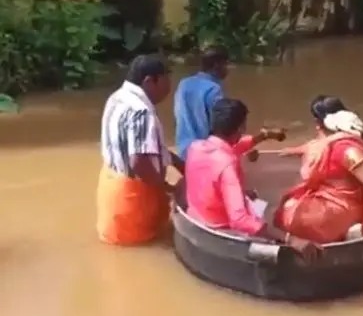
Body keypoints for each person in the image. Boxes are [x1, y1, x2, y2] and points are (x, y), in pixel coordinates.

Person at [185, 98, 321, 261]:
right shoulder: (227, 164)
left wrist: (263, 136)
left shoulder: (195, 148)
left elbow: (234, 146)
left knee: (254, 199)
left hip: (197, 220)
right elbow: (239, 220)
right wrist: (291, 239)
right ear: (241, 127)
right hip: (223, 233)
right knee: (272, 212)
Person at [274, 96, 363, 244]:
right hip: (328, 195)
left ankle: (347, 231)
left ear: (318, 123)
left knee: (292, 214)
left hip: (346, 204)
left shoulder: (348, 150)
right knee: (289, 202)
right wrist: (292, 151)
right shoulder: (327, 142)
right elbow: (311, 147)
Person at [97, 54, 185, 246]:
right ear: (149, 81)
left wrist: (182, 165)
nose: (169, 87)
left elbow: (150, 148)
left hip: (112, 189)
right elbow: (139, 161)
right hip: (133, 200)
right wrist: (169, 189)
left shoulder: (116, 98)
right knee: (147, 250)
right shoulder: (141, 111)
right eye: (166, 80)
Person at [174, 45, 229, 160]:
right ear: (216, 65)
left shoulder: (184, 84)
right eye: (226, 64)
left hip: (183, 150)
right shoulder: (214, 89)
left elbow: (178, 115)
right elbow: (220, 125)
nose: (227, 69)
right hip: (205, 152)